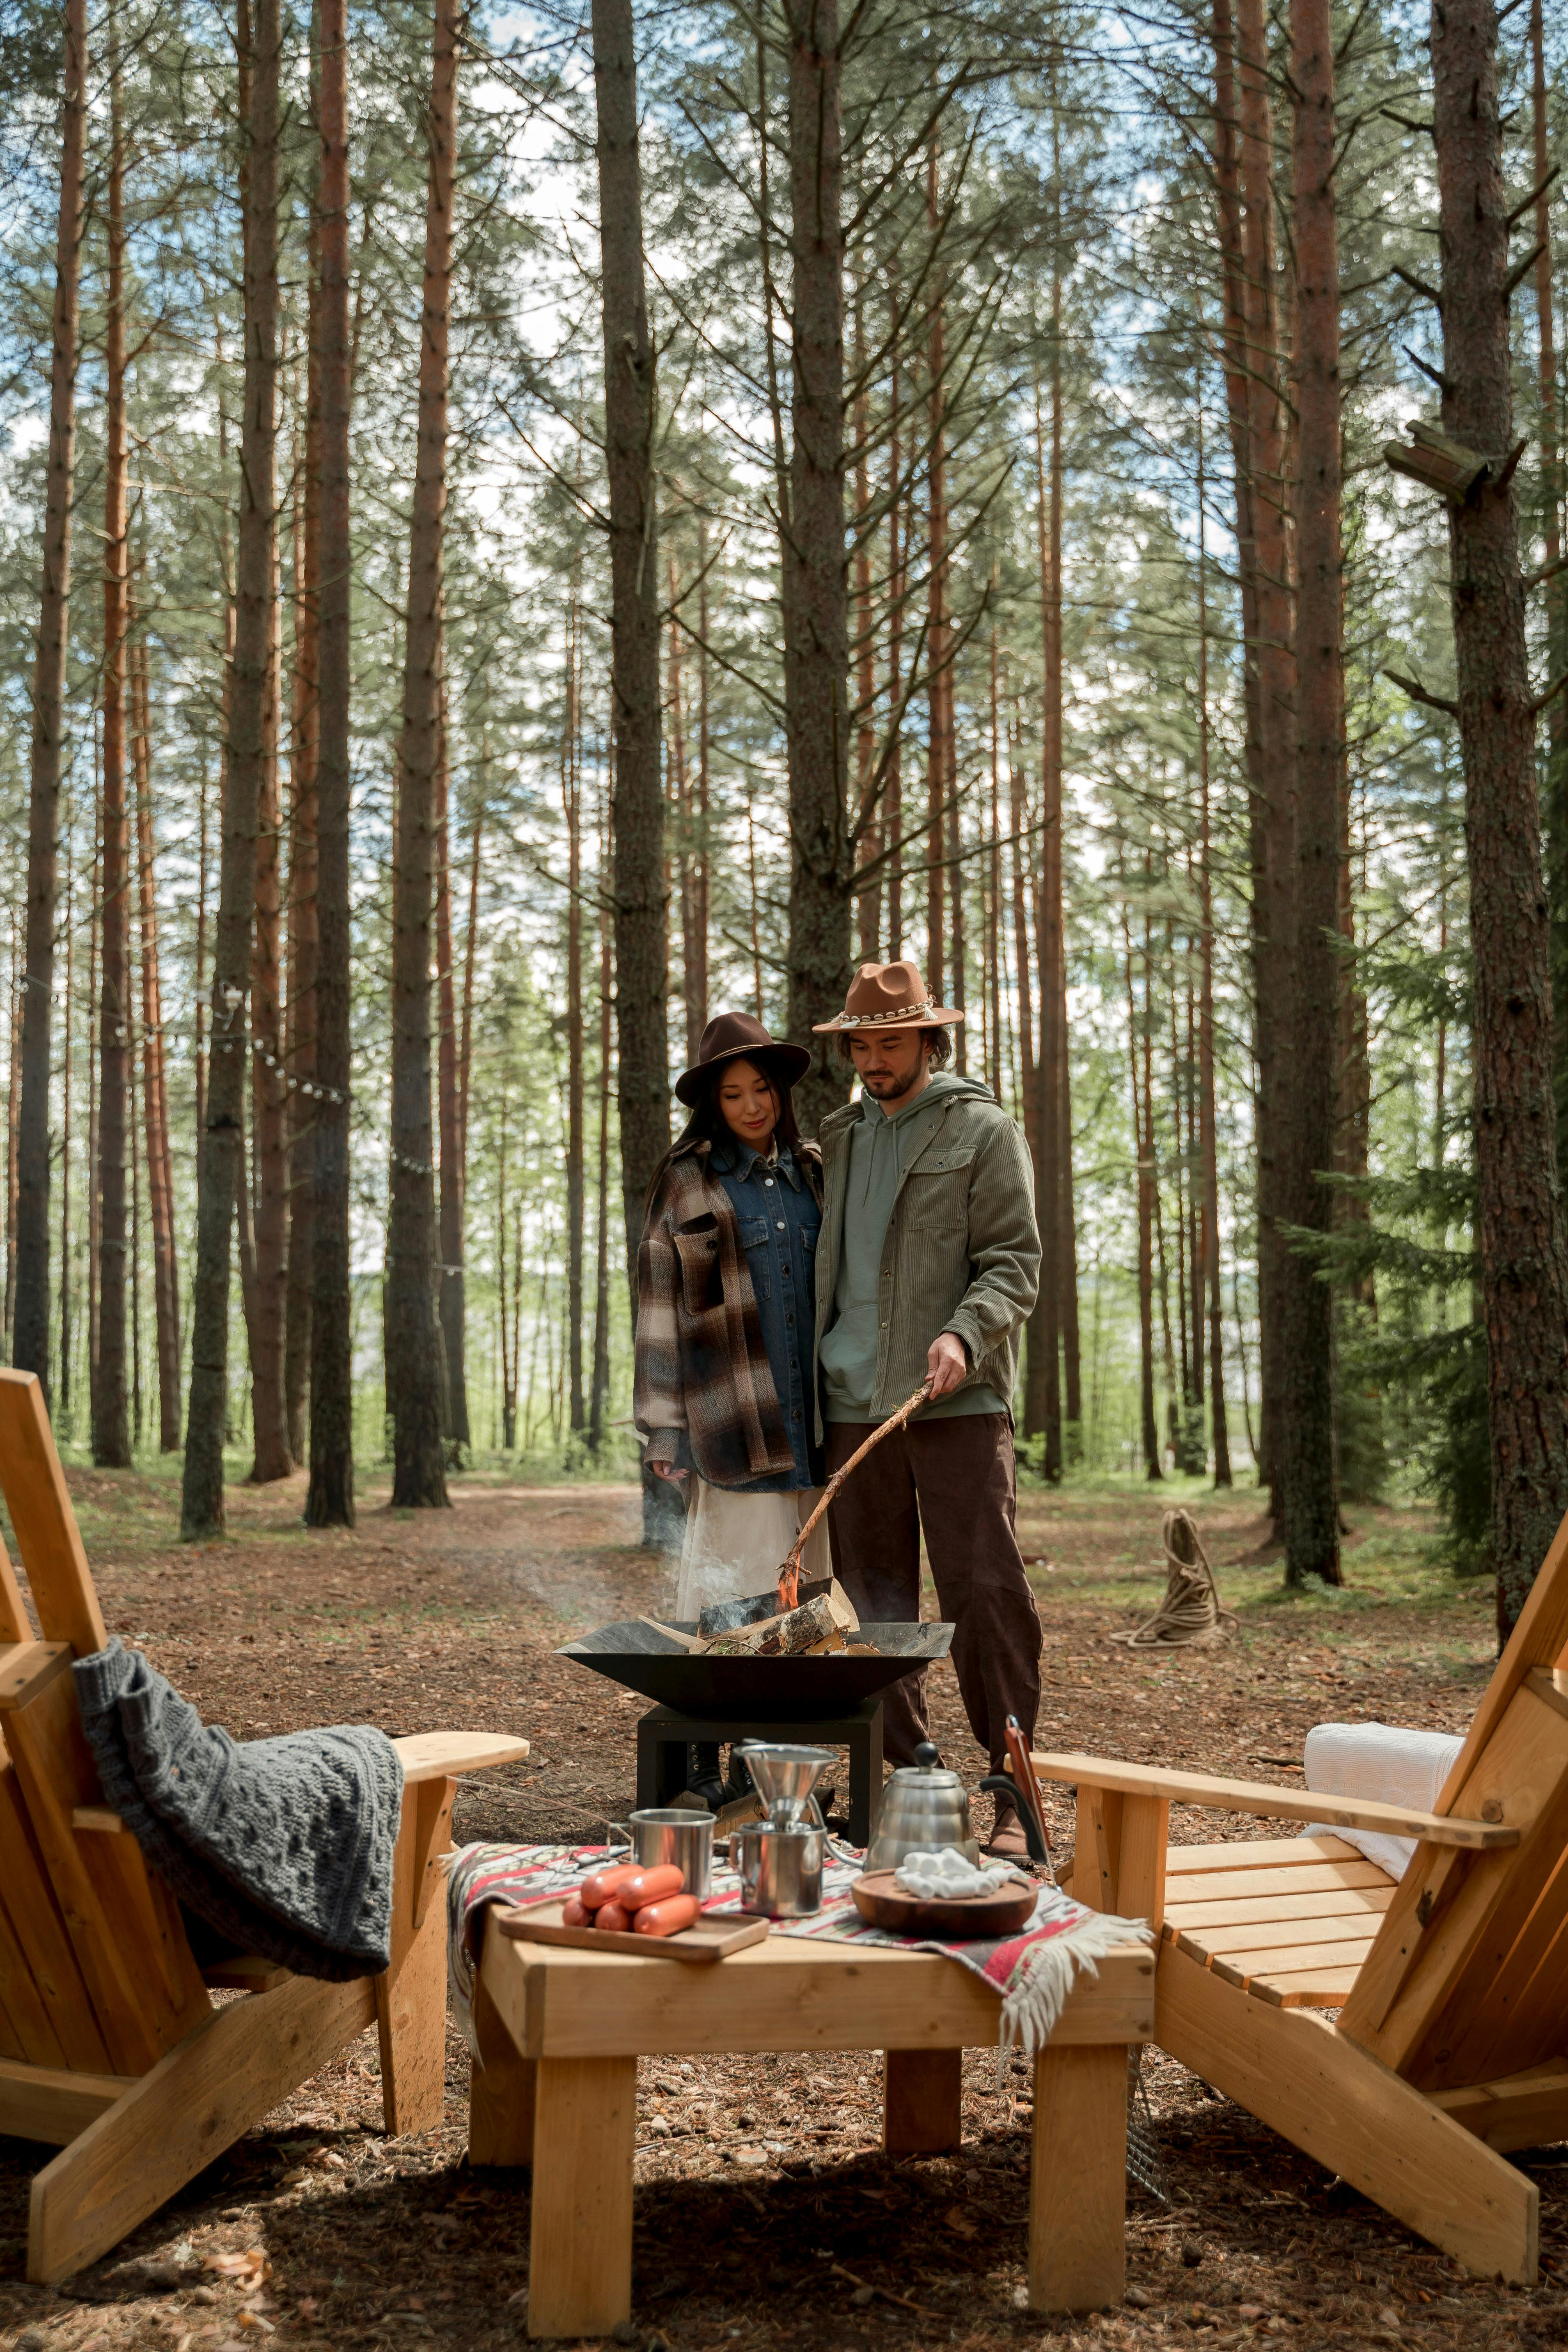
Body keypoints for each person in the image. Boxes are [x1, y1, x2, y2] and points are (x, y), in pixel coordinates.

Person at [811, 959, 1043, 1857]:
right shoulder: (840, 1139)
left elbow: (1013, 1262)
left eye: (889, 1043)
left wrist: (961, 1334)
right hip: (850, 1406)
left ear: (927, 1042)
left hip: (953, 1402)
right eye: (860, 1045)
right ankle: (911, 1789)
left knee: (984, 1594)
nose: (872, 1059)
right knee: (872, 1610)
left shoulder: (981, 1130)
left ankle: (1011, 1793)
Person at [635, 1010, 830, 1626]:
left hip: (824, 1433)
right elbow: (658, 1312)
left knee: (819, 1614)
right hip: (735, 1425)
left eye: (762, 1089)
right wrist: (664, 1430)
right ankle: (739, 1724)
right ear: (714, 1104)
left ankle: (802, 1724)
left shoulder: (818, 1174)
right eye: (733, 1094)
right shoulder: (686, 1182)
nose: (752, 1106)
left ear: (781, 1089)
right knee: (738, 1615)